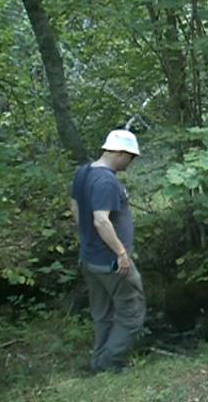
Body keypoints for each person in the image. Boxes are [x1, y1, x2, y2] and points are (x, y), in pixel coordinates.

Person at [70, 129, 146, 373]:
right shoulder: (105, 180)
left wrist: (86, 238)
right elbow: (101, 220)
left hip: (90, 258)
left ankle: (98, 362)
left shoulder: (84, 172)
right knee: (132, 310)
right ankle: (109, 362)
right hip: (111, 262)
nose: (131, 163)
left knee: (103, 312)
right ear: (121, 153)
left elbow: (74, 205)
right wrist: (121, 253)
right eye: (131, 157)